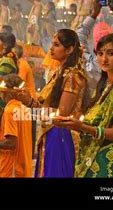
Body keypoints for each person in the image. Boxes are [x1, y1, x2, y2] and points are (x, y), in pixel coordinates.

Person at [55, 33, 113, 177]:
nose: (104, 59)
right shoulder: (104, 85)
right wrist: (74, 122)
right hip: (93, 156)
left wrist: (83, 127)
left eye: (111, 53)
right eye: (100, 53)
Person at [16, 29, 87, 177]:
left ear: (69, 49)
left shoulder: (72, 76)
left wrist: (30, 103)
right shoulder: (59, 72)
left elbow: (62, 114)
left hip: (62, 134)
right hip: (51, 131)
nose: (51, 48)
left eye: (56, 45)